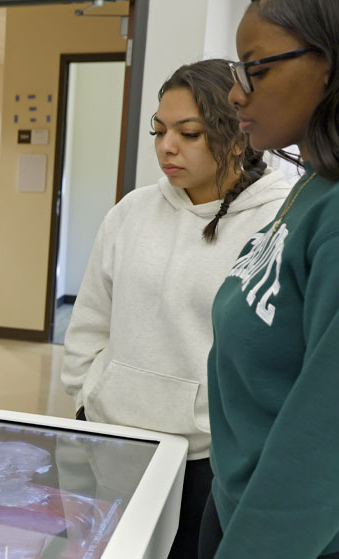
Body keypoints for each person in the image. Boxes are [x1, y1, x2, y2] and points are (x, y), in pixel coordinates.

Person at [61, 58, 291, 559]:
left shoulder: (279, 220)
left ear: (236, 133)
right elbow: (91, 319)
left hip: (206, 458)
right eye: (159, 130)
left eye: (188, 133)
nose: (167, 147)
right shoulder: (132, 212)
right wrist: (88, 395)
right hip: (112, 440)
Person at [200, 1, 339, 557]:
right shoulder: (316, 184)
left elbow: (333, 434)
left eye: (256, 68)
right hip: (237, 499)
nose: (237, 92)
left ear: (335, 63)